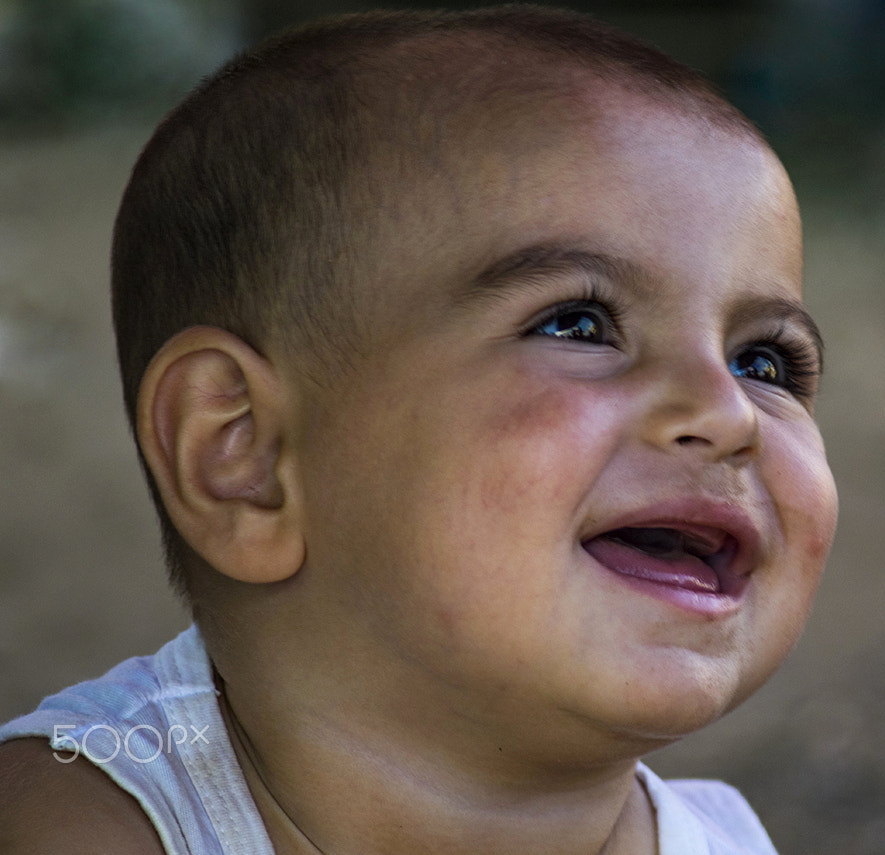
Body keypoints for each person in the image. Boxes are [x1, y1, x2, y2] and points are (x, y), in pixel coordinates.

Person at [0, 6, 838, 853]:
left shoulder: (723, 838)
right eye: (579, 325)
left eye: (764, 363)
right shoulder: (74, 815)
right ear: (244, 453)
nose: (726, 413)